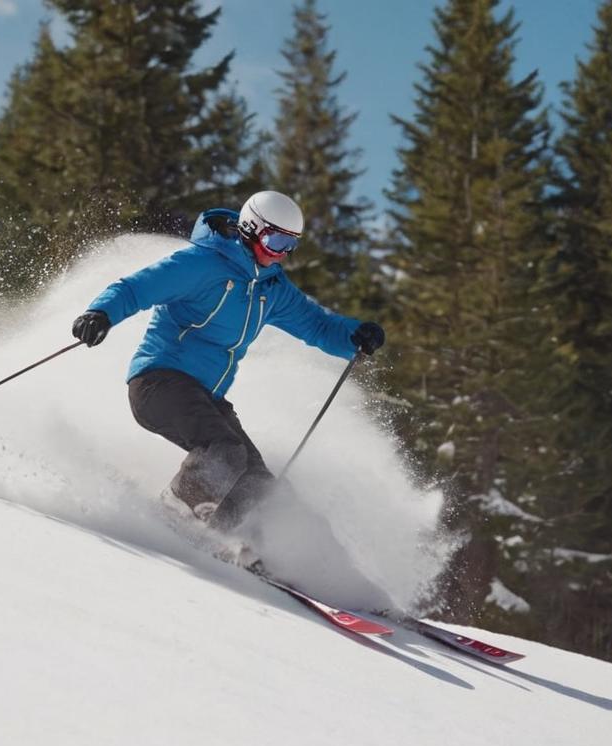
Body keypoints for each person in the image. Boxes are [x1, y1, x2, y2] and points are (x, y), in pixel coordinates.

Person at [72, 190, 385, 533]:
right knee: (224, 452)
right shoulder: (202, 263)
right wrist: (100, 313)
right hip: (159, 381)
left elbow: (318, 324)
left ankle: (231, 542)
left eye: (289, 245)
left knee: (260, 485)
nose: (281, 253)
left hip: (207, 397)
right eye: (276, 240)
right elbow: (136, 288)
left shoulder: (272, 287)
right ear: (252, 228)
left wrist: (354, 335)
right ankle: (172, 521)